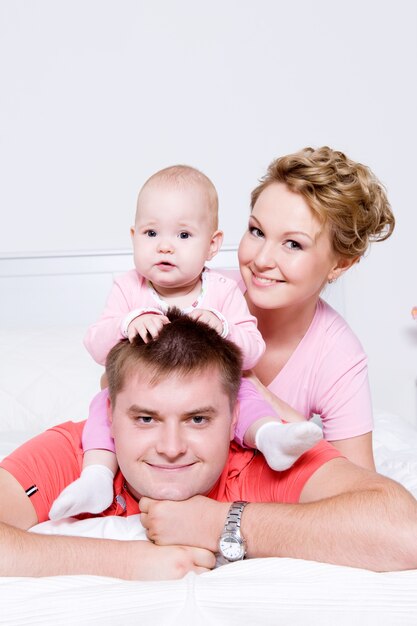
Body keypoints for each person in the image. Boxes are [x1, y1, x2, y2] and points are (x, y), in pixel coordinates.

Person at [0, 310, 416, 581]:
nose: (171, 447)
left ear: (235, 417)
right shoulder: (78, 451)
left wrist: (220, 524)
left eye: (198, 419)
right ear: (108, 417)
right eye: (145, 418)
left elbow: (405, 532)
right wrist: (127, 562)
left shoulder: (264, 459)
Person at [49, 164, 322, 520]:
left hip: (206, 396)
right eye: (150, 233)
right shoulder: (129, 289)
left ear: (212, 246)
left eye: (183, 236)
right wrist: (128, 321)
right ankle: (98, 476)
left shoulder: (222, 292)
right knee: (104, 405)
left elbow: (253, 352)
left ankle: (270, 437)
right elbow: (96, 346)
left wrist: (223, 327)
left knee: (243, 392)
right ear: (133, 236)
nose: (164, 246)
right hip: (143, 393)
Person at [234, 146, 396, 470]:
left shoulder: (337, 354)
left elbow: (359, 487)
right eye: (257, 231)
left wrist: (259, 394)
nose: (262, 260)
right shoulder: (205, 294)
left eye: (293, 244)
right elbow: (114, 384)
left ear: (341, 264)